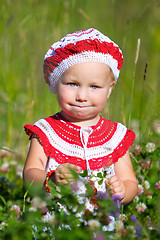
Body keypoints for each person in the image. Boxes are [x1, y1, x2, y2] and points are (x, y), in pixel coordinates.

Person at [23, 28, 138, 213]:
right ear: (55, 82)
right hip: (56, 221)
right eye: (72, 84)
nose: (82, 96)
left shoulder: (115, 136)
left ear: (109, 89)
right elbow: (29, 174)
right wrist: (50, 178)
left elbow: (130, 181)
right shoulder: (46, 131)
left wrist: (123, 191)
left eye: (94, 86)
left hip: (100, 224)